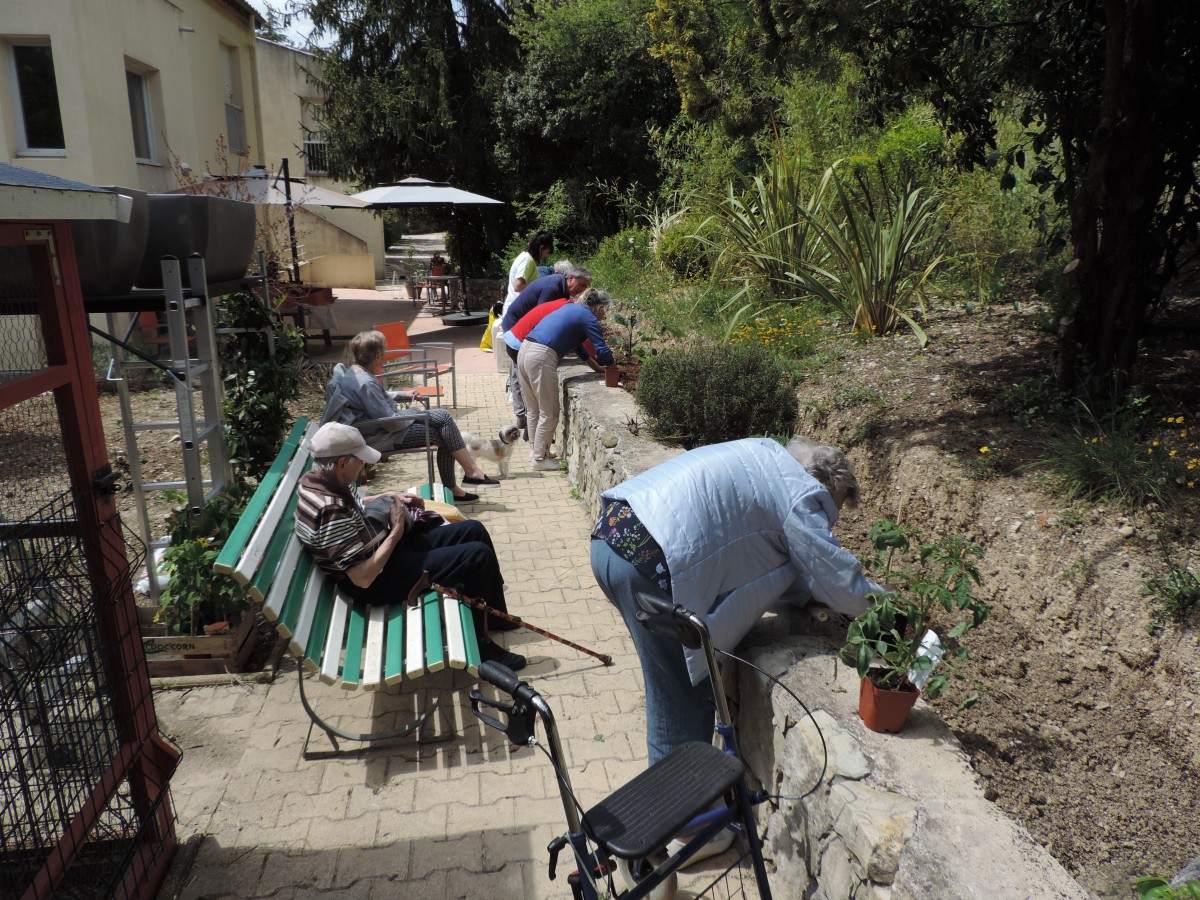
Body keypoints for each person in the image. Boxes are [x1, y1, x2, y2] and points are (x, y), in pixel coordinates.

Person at [590, 437, 886, 765]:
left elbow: (774, 558)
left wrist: (807, 597)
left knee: (669, 688)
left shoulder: (766, 458)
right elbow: (838, 580)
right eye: (834, 507)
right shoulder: (800, 493)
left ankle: (680, 801)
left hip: (613, 535)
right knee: (682, 705)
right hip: (647, 566)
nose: (830, 520)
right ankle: (678, 809)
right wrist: (892, 608)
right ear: (828, 484)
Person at [294, 422, 525, 670]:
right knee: (476, 557)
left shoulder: (324, 478)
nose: (364, 465)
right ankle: (482, 648)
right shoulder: (329, 511)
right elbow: (362, 577)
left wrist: (391, 497)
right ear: (341, 463)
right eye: (359, 460)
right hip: (376, 580)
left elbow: (357, 506)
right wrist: (396, 530)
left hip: (384, 554)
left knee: (473, 530)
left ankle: (493, 614)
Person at [322, 331, 500, 501]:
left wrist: (401, 395)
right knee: (444, 429)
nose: (385, 358)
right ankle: (467, 477)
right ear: (377, 357)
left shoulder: (356, 373)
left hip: (378, 428)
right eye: (383, 353)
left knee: (444, 425)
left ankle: (467, 477)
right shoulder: (365, 382)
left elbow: (373, 400)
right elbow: (392, 423)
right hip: (380, 436)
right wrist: (412, 411)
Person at [517, 289, 614, 470]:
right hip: (541, 356)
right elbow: (601, 349)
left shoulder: (573, 309)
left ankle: (536, 451)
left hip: (525, 350)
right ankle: (539, 459)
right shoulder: (588, 317)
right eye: (605, 312)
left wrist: (597, 368)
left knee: (534, 410)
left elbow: (578, 348)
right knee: (550, 412)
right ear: (599, 307)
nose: (605, 317)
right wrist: (612, 367)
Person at [500, 265, 592, 436]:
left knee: (526, 382)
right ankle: (527, 426)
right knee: (530, 385)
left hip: (520, 333)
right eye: (581, 285)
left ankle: (527, 426)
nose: (581, 290)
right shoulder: (552, 288)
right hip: (517, 332)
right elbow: (543, 321)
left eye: (585, 288)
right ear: (570, 278)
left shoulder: (561, 288)